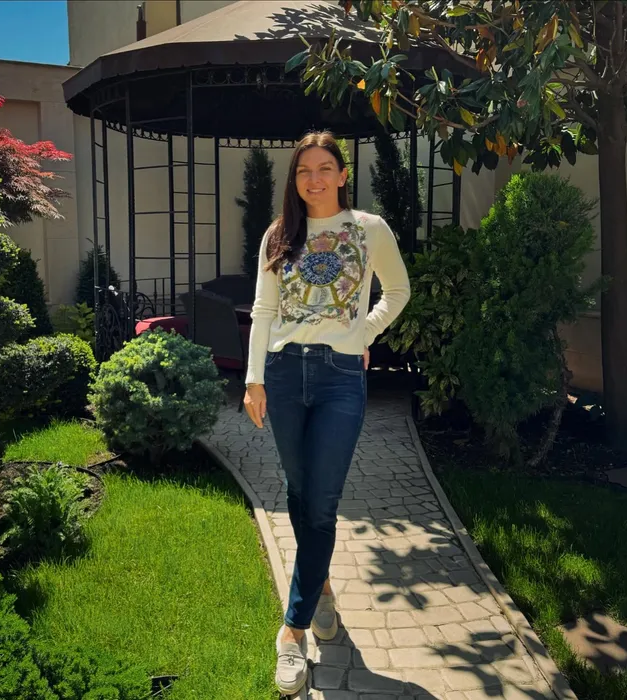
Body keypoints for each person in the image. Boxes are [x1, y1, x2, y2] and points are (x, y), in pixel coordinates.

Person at [243, 130, 410, 696]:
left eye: (323, 168)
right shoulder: (279, 235)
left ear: (342, 175)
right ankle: (322, 589)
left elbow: (398, 291)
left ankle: (292, 631)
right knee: (299, 490)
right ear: (295, 180)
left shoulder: (368, 229)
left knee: (322, 501)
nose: (313, 179)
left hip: (340, 379)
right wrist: (254, 380)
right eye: (303, 171)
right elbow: (263, 310)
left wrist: (362, 332)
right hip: (283, 374)